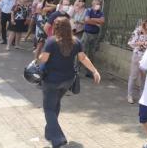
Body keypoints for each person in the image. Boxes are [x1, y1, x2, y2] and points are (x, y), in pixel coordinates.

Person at [38, 16, 101, 148]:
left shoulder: (51, 41)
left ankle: (58, 138)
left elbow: (43, 59)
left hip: (51, 81)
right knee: (55, 104)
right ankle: (50, 132)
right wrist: (94, 71)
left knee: (49, 109)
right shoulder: (76, 41)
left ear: (55, 28)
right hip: (67, 80)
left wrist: (38, 56)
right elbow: (83, 58)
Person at [127, 16, 147, 104]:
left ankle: (142, 96)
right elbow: (130, 43)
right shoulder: (138, 31)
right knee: (133, 76)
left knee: (144, 78)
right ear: (146, 23)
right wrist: (143, 43)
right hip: (137, 56)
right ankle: (129, 95)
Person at [81, 0, 105, 77]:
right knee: (82, 51)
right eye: (96, 4)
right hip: (87, 34)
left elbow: (102, 21)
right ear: (92, 4)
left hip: (95, 35)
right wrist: (96, 22)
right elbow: (87, 20)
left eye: (99, 4)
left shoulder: (101, 13)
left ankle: (89, 72)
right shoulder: (89, 10)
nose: (97, 5)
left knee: (91, 53)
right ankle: (76, 69)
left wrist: (92, 19)